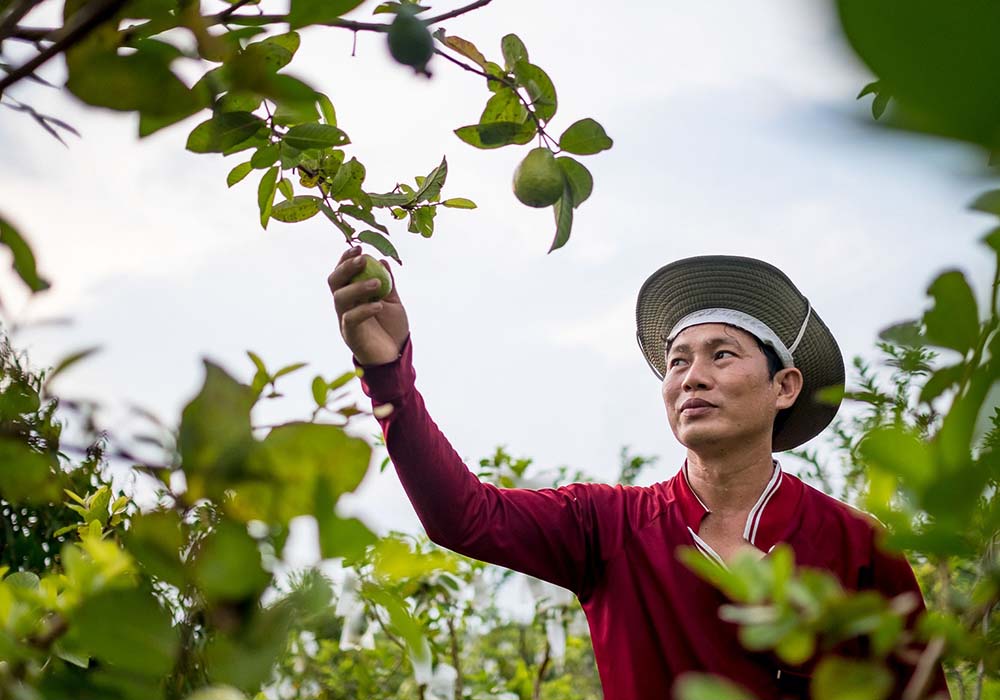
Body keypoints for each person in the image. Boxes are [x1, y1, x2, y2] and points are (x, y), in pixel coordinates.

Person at [327, 249, 949, 700]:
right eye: (677, 361)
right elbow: (461, 515)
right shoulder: (609, 527)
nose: (690, 377)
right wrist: (386, 371)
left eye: (721, 354)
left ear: (784, 387)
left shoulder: (858, 547)